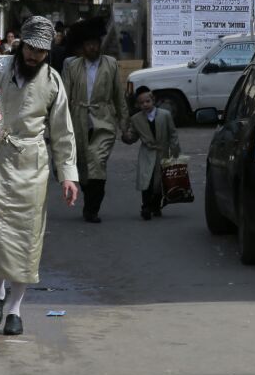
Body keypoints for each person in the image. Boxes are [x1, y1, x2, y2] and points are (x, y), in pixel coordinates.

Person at [0, 17, 79, 337]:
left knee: (27, 241)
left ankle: (15, 308)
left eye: (41, 52)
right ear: (20, 45)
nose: (34, 56)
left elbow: (63, 133)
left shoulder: (53, 81)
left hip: (33, 167)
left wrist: (68, 176)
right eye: (30, 49)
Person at [62, 18, 127, 224]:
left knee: (97, 161)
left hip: (104, 121)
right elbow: (63, 97)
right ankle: (88, 202)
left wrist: (125, 125)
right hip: (77, 119)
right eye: (88, 44)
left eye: (95, 43)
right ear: (82, 47)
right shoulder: (72, 66)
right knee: (83, 165)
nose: (92, 47)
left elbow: (119, 96)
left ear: (100, 44)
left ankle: (92, 209)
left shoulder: (111, 64)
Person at [127, 86, 181, 220]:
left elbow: (173, 134)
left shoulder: (165, 115)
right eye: (141, 103)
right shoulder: (136, 119)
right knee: (147, 181)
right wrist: (125, 135)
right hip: (147, 153)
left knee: (159, 182)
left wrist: (175, 152)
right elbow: (133, 136)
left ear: (153, 100)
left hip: (162, 152)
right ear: (138, 104)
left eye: (147, 101)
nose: (145, 105)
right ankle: (145, 207)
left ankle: (156, 206)